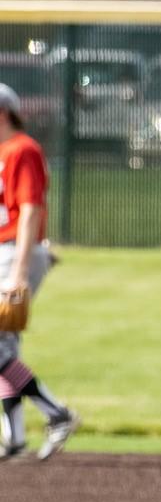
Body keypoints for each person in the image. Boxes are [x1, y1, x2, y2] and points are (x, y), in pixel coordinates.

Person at [0, 83, 78, 462]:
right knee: (4, 349)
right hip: (10, 250)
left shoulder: (23, 149)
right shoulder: (4, 151)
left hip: (15, 253)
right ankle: (14, 435)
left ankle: (57, 413)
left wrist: (21, 268)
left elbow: (31, 209)